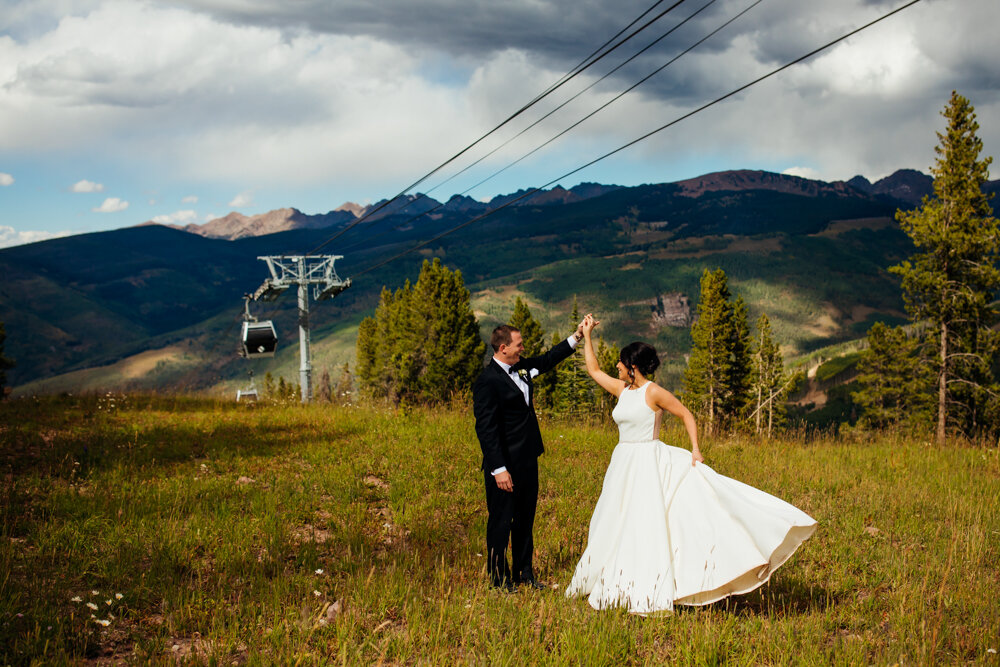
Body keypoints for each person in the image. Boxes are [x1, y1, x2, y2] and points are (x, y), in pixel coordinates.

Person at [565, 314, 817, 614]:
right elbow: (593, 369)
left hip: (647, 461)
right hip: (622, 463)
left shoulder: (653, 392)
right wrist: (587, 334)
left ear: (632, 367)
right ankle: (607, 574)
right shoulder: (623, 390)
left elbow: (686, 414)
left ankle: (651, 582)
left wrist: (695, 449)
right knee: (613, 519)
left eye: (621, 363)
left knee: (645, 521)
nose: (616, 367)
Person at [473, 321, 584, 592]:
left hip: (527, 460)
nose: (524, 347)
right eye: (519, 344)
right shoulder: (487, 381)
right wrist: (499, 469)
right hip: (504, 465)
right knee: (501, 522)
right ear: (503, 348)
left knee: (525, 519)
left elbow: (547, 360)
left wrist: (577, 336)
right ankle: (499, 580)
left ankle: (525, 574)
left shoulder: (522, 367)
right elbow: (486, 429)